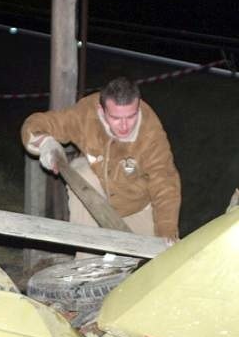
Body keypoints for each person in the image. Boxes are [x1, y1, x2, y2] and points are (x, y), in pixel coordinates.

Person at [21, 77, 181, 240]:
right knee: (81, 170)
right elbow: (34, 125)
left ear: (138, 107)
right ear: (101, 110)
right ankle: (87, 251)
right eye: (116, 118)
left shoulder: (150, 133)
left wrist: (167, 231)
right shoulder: (86, 114)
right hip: (95, 205)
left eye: (131, 116)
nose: (125, 126)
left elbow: (165, 183)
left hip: (137, 208)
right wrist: (46, 144)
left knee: (155, 258)